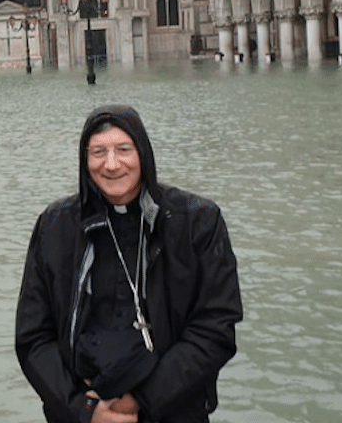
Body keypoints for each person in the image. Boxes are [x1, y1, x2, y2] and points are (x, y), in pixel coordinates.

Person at [16, 104, 242, 423]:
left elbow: (215, 328)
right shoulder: (54, 226)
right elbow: (33, 337)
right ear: (84, 160)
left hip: (173, 410)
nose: (111, 164)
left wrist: (141, 401)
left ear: (143, 155)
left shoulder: (198, 222)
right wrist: (83, 410)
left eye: (123, 149)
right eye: (98, 152)